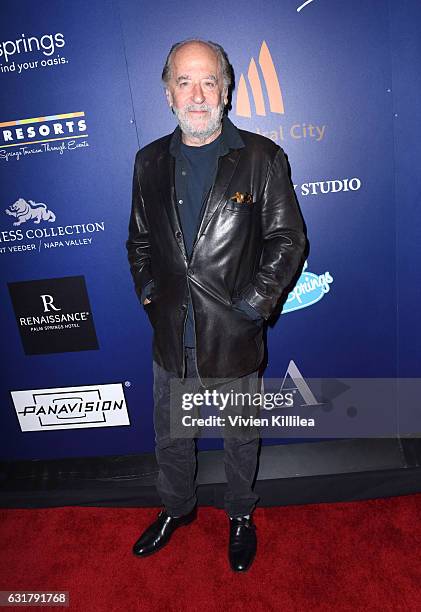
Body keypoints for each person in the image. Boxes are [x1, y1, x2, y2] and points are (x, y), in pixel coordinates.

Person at [126, 38, 306, 572]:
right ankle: (176, 509)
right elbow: (138, 242)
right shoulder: (148, 161)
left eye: (209, 81)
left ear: (226, 90)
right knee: (171, 437)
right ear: (168, 94)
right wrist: (151, 295)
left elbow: (288, 239)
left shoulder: (261, 157)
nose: (198, 94)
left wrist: (253, 305)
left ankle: (240, 515)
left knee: (240, 437)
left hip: (233, 334)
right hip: (169, 336)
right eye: (185, 82)